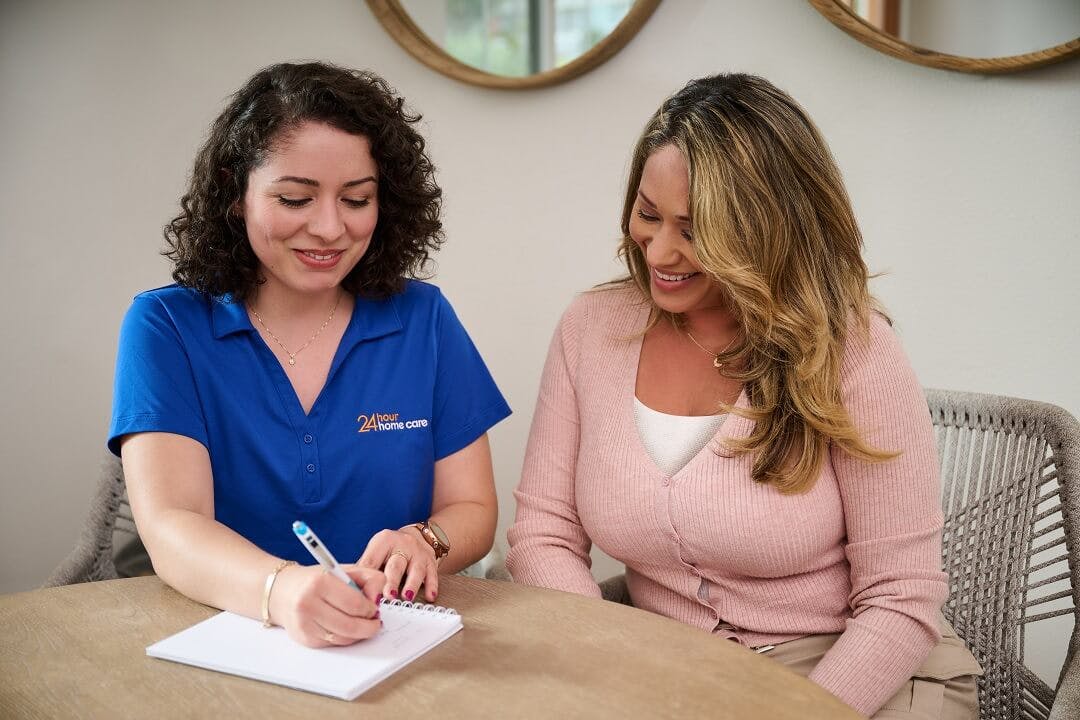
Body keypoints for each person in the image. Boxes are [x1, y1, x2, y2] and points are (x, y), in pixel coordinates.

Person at [506, 73, 981, 717]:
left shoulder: (852, 346)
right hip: (668, 671)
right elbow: (544, 534)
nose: (660, 251)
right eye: (648, 214)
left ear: (766, 230)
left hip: (850, 675)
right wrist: (609, 661)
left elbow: (900, 600)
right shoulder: (592, 328)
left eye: (696, 230)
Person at [110, 62, 510, 648]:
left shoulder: (423, 319)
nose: (329, 228)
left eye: (356, 199)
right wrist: (281, 589)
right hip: (225, 637)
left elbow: (471, 506)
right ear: (235, 192)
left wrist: (425, 541)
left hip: (388, 637)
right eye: (295, 198)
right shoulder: (165, 326)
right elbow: (173, 525)